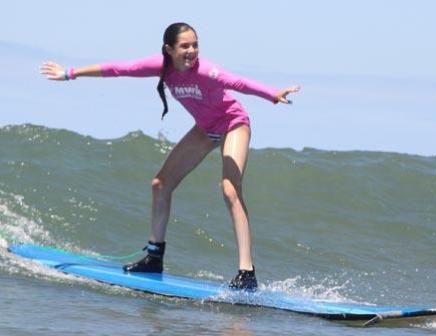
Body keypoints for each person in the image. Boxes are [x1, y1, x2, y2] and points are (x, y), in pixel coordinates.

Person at [40, 22, 300, 291]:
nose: (192, 51)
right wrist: (70, 73)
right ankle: (154, 257)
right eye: (185, 46)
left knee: (230, 189)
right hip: (206, 128)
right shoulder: (161, 66)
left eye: (195, 45)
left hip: (233, 122)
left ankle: (247, 273)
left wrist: (272, 94)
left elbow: (237, 83)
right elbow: (119, 69)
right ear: (169, 49)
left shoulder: (207, 70)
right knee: (160, 184)